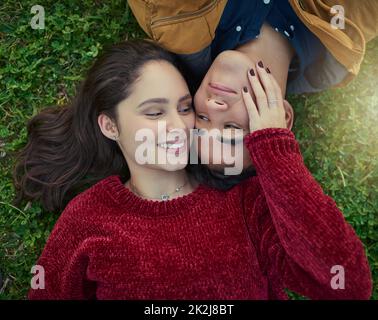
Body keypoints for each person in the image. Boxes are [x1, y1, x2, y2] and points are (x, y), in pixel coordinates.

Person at [15, 40, 372, 299]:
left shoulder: (245, 204)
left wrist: (272, 146)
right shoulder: (89, 219)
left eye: (186, 109)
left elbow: (347, 283)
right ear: (110, 126)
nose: (178, 127)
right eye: (155, 113)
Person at [128, 0, 378, 177]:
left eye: (201, 117)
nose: (213, 106)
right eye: (232, 128)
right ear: (282, 118)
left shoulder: (177, 22)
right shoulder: (340, 42)